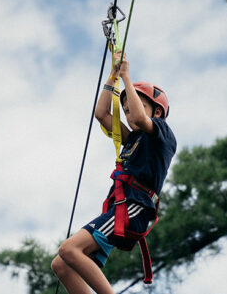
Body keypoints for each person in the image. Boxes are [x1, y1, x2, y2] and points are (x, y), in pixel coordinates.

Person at [51, 51, 177, 294]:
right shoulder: (132, 140)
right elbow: (101, 114)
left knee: (69, 250)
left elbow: (141, 119)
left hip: (135, 207)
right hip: (120, 208)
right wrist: (112, 79)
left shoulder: (162, 135)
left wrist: (126, 76)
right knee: (62, 264)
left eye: (135, 107)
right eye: (126, 110)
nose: (129, 115)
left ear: (158, 112)